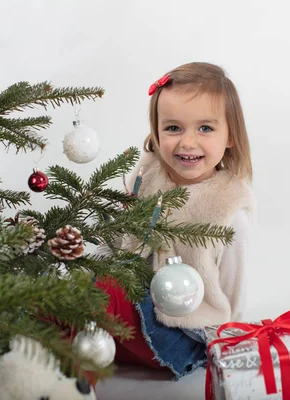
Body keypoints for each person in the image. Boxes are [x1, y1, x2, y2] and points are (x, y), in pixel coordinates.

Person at [95, 61, 255, 381]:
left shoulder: (229, 213)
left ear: (230, 136)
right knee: (67, 296)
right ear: (155, 133)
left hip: (179, 336)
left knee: (104, 292)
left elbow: (234, 294)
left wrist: (226, 345)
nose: (187, 143)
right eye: (173, 128)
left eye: (205, 128)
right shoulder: (147, 175)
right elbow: (114, 237)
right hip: (120, 319)